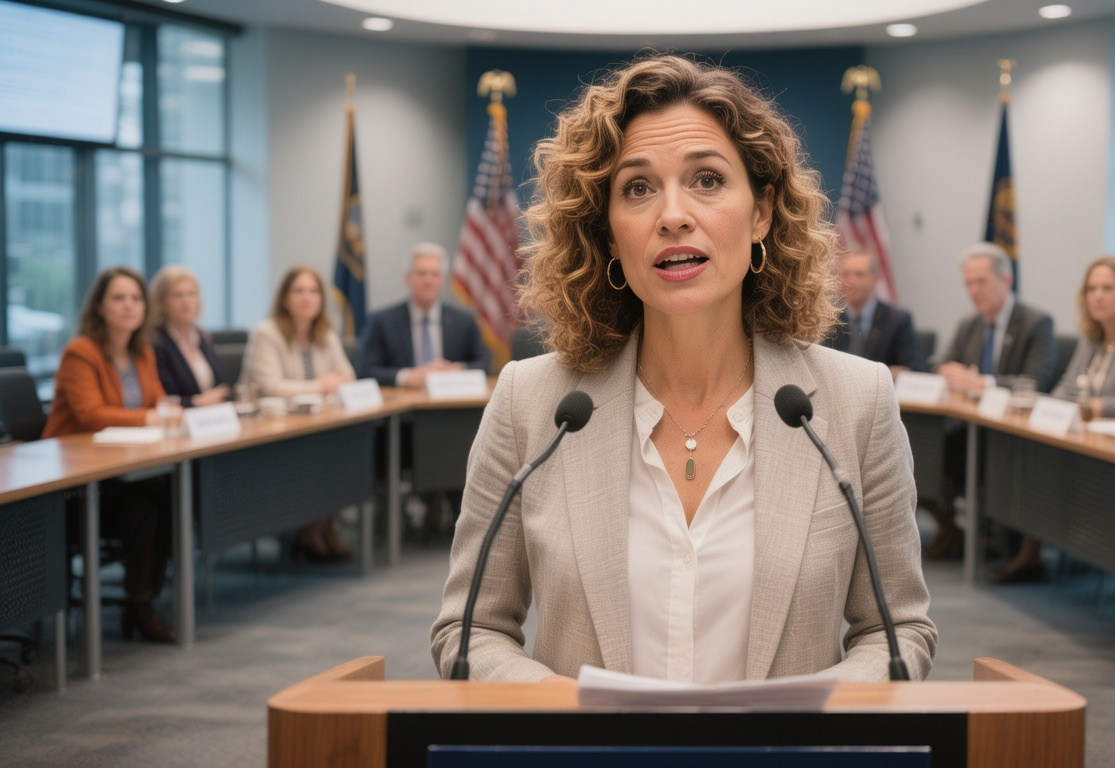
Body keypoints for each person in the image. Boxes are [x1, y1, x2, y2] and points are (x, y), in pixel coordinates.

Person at [430, 54, 937, 683]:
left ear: (761, 213)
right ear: (609, 235)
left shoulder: (856, 402)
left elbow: (899, 632)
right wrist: (570, 718)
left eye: (707, 180)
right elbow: (470, 631)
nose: (672, 214)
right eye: (637, 188)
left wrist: (798, 719)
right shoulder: (530, 404)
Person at [987, 256, 1115, 583]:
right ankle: (1029, 552)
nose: (1097, 296)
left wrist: (1092, 407)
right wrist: (1052, 407)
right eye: (1091, 288)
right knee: (1029, 455)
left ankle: (1033, 553)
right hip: (1084, 440)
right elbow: (1067, 388)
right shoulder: (1093, 336)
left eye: (1107, 288)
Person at [43, 267, 175, 642]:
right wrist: (150, 416)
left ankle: (142, 601)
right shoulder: (80, 351)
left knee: (171, 495)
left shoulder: (143, 352)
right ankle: (141, 605)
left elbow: (159, 401)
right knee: (153, 505)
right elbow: (90, 415)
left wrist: (159, 412)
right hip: (72, 486)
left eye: (135, 298)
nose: (129, 306)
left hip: (120, 472)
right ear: (99, 306)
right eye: (118, 298)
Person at [924, 243, 1056, 560]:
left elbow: (1036, 382)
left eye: (981, 282)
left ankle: (1020, 550)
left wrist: (984, 384)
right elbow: (941, 364)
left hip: (1014, 434)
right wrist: (947, 371)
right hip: (969, 427)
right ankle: (952, 528)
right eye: (968, 283)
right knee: (922, 451)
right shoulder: (970, 324)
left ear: (1006, 280)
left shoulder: (1037, 323)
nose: (974, 291)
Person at [243, 265, 356, 561]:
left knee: (340, 445)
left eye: (313, 291)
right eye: (299, 291)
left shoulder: (325, 332)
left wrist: (330, 384)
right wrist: (322, 385)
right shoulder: (266, 333)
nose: (307, 298)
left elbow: (347, 376)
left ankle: (322, 526)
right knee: (317, 451)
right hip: (268, 426)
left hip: (314, 422)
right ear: (284, 299)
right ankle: (310, 530)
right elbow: (269, 387)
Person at [358, 243, 491, 387]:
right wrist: (407, 377)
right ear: (408, 278)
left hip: (451, 402)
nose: (428, 281)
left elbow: (484, 364)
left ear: (442, 280)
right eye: (421, 273)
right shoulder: (383, 321)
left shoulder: (464, 320)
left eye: (435, 274)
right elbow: (365, 371)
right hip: (406, 403)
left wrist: (457, 370)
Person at [823, 249, 925, 375]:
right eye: (845, 274)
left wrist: (891, 374)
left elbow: (915, 369)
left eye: (859, 274)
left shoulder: (897, 321)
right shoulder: (829, 320)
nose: (850, 282)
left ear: (875, 278)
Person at [150, 266, 231, 407]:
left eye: (191, 294)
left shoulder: (203, 336)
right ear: (161, 302)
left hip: (212, 418)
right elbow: (161, 397)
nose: (186, 301)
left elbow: (220, 386)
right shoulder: (155, 342)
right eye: (178, 295)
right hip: (178, 421)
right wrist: (197, 402)